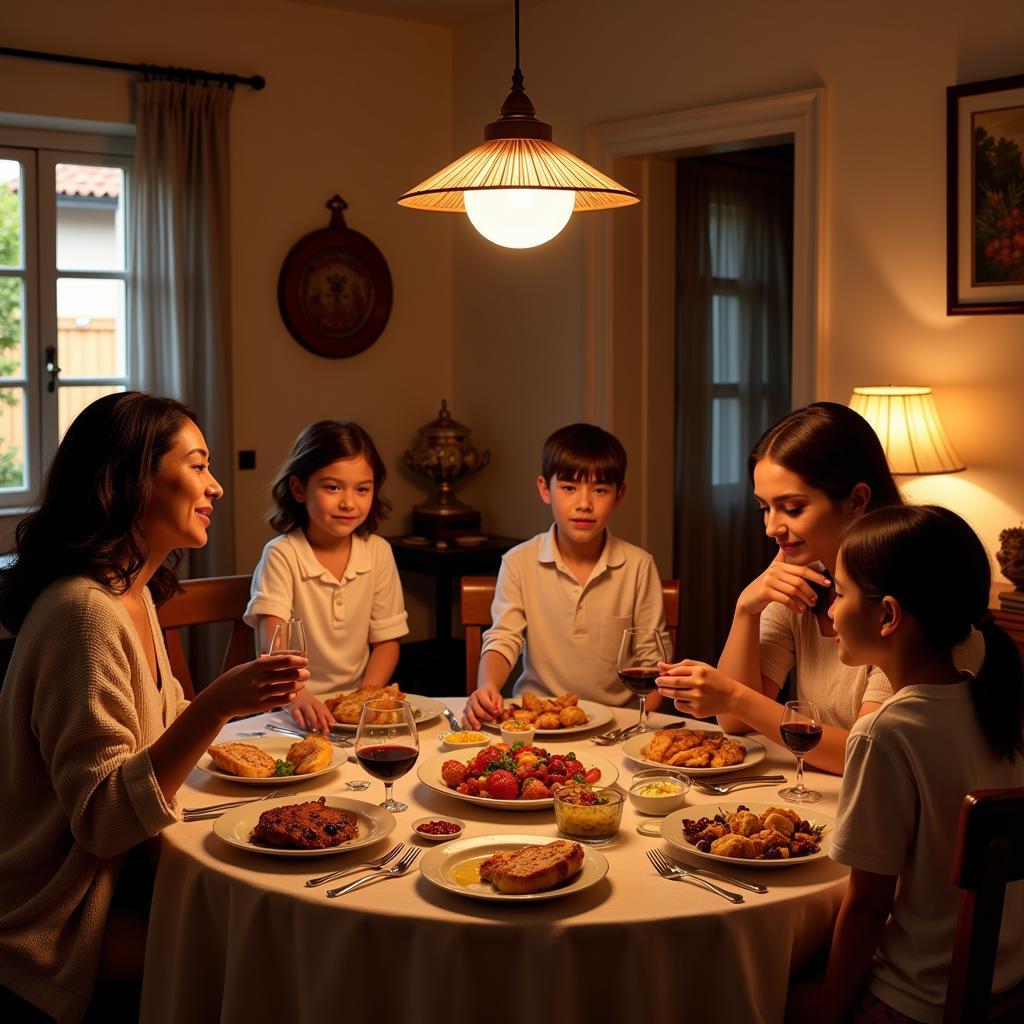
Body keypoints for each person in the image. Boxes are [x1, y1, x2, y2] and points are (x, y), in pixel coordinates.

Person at [0, 392, 308, 1024]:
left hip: (127, 880)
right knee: (260, 956)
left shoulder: (132, 597)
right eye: (197, 465)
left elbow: (161, 735)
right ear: (134, 479)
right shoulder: (82, 614)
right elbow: (106, 821)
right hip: (58, 919)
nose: (216, 486)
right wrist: (219, 703)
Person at [657, 401, 981, 774]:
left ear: (857, 500)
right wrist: (746, 610)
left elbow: (865, 753)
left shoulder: (898, 604)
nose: (771, 527)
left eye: (792, 508)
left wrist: (733, 696)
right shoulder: (801, 577)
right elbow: (735, 722)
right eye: (764, 507)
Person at [814, 504, 1024, 1023]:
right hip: (1008, 986)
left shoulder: (885, 732)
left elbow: (866, 907)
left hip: (917, 1000)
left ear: (887, 615)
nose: (830, 612)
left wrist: (825, 1015)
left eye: (838, 594)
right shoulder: (996, 704)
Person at [463, 422, 670, 729]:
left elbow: (653, 662)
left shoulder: (638, 566)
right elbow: (503, 638)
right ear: (545, 489)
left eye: (599, 490)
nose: (584, 504)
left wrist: (640, 724)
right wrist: (487, 686)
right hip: (535, 723)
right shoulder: (519, 562)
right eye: (569, 488)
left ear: (619, 494)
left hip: (616, 725)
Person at [244, 420, 408, 734]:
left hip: (354, 713)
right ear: (299, 489)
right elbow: (273, 646)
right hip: (289, 708)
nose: (348, 502)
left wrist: (364, 700)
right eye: (332, 487)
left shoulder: (378, 552)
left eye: (362, 489)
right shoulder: (282, 555)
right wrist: (297, 696)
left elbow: (387, 641)